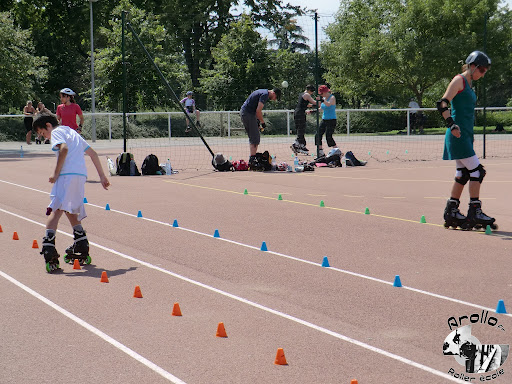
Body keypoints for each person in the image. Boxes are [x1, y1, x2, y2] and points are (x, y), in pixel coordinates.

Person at [31, 113, 110, 272]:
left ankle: (49, 248)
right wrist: (102, 176)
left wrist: (55, 173)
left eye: (42, 133)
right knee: (70, 209)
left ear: (48, 125)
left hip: (66, 176)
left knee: (56, 210)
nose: (45, 136)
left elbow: (64, 149)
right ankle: (81, 243)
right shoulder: (73, 132)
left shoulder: (56, 132)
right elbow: (93, 154)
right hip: (80, 176)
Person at [437, 51, 495, 230]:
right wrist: (451, 125)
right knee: (477, 171)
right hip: (457, 135)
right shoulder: (459, 81)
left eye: (485, 71)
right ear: (472, 66)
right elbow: (442, 103)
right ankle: (474, 211)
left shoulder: (469, 84)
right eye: (482, 70)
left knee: (463, 174)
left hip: (465, 136)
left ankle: (452, 211)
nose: (483, 74)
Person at [240, 88, 281, 166]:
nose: (274, 99)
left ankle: (252, 158)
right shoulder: (265, 95)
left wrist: (257, 122)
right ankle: (252, 160)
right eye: (276, 97)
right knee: (255, 137)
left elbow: (254, 108)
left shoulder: (262, 91)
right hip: (248, 114)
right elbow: (258, 111)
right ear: (273, 93)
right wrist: (263, 122)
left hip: (246, 113)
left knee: (254, 136)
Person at [291, 85, 317, 155]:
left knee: (300, 129)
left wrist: (312, 106)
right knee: (301, 128)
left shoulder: (302, 94)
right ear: (310, 90)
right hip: (300, 113)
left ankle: (302, 145)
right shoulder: (307, 95)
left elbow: (306, 104)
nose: (312, 93)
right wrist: (321, 101)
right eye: (312, 91)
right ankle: (296, 143)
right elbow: (314, 102)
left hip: (297, 112)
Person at [315, 85, 337, 157]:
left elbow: (328, 104)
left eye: (321, 93)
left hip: (331, 120)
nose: (320, 95)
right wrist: (313, 111)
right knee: (318, 134)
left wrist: (321, 100)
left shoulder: (332, 98)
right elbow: (321, 109)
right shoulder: (324, 98)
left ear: (325, 92)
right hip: (324, 119)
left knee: (328, 136)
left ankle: (336, 150)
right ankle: (320, 151)